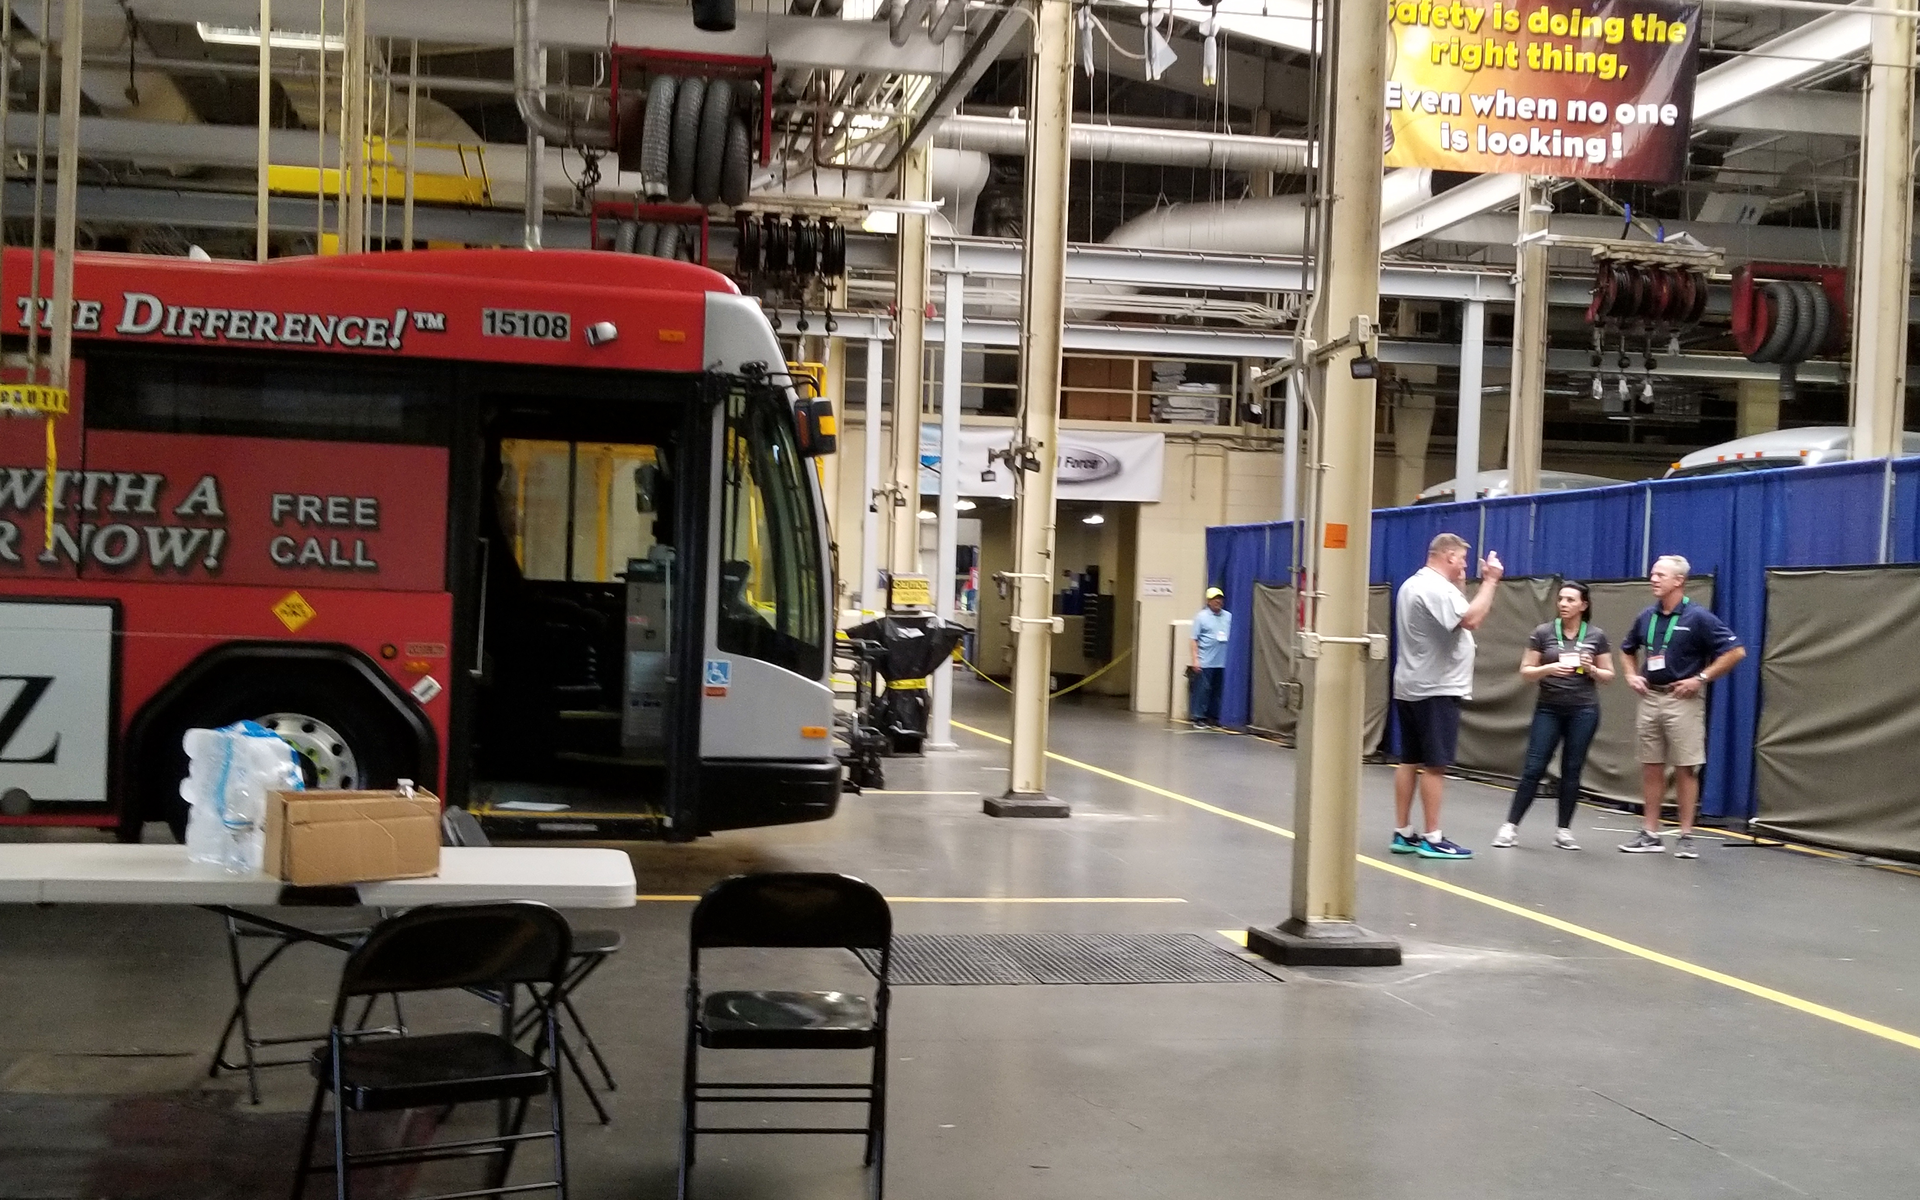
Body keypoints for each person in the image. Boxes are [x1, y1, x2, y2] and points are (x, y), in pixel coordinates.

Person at [1616, 555, 1744, 858]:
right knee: (1651, 766)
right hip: (1651, 697)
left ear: (1679, 581)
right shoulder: (1646, 615)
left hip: (1682, 700)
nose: (1653, 579)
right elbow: (1626, 649)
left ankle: (1686, 835)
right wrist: (1631, 675)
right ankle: (1650, 833)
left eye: (1660, 575)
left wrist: (1700, 678)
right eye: (1652, 574)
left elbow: (1735, 651)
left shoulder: (1698, 617)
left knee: (1686, 767)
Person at [1392, 533, 1504, 859]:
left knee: (1409, 759)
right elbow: (1471, 618)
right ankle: (1432, 836)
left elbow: (1458, 612)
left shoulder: (1415, 584)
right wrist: (1491, 582)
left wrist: (1465, 584)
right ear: (1450, 556)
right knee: (1435, 764)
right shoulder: (1435, 588)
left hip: (1411, 686)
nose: (1465, 565)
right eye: (1463, 560)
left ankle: (1403, 832)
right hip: (1436, 688)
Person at [1492, 581, 1613, 851]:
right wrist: (1549, 669)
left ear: (1584, 605)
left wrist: (1591, 669)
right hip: (1549, 708)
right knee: (1534, 767)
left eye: (1570, 600)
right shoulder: (1543, 633)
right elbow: (1525, 672)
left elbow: (1609, 676)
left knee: (1572, 770)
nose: (1564, 604)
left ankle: (1564, 830)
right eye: (1561, 599)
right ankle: (1510, 827)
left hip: (1583, 710)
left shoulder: (1596, 635)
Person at [1189, 586, 1232, 727]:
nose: (1218, 601)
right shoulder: (1201, 617)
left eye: (1220, 598)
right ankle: (1198, 717)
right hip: (1206, 660)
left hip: (1222, 661)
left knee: (1217, 691)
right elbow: (1194, 639)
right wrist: (1196, 659)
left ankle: (1214, 716)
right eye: (1215, 599)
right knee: (1203, 690)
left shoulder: (1228, 616)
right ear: (1208, 601)